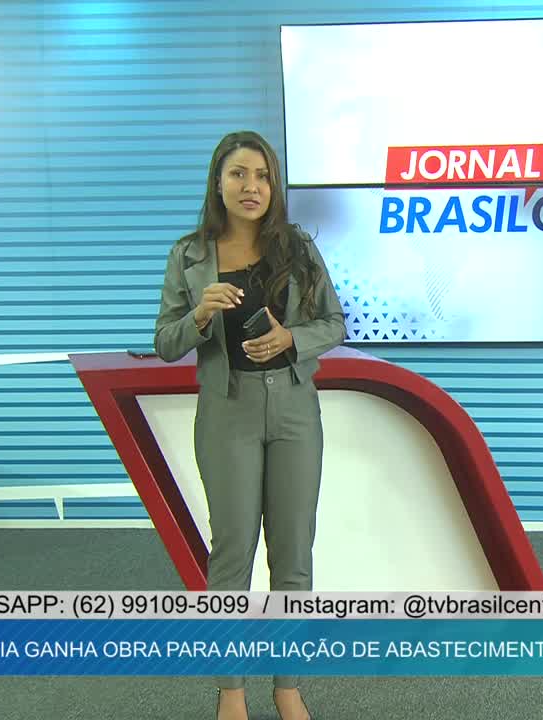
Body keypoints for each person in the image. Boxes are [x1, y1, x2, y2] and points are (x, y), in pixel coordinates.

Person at [154, 130, 345, 720]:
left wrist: (291, 339)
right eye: (238, 174)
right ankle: (231, 692)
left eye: (262, 175)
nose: (251, 186)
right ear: (218, 182)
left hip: (294, 410)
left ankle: (287, 688)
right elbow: (165, 343)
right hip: (227, 411)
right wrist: (199, 314)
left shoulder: (298, 248)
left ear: (273, 186)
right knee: (232, 553)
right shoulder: (189, 255)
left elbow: (334, 323)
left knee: (293, 555)